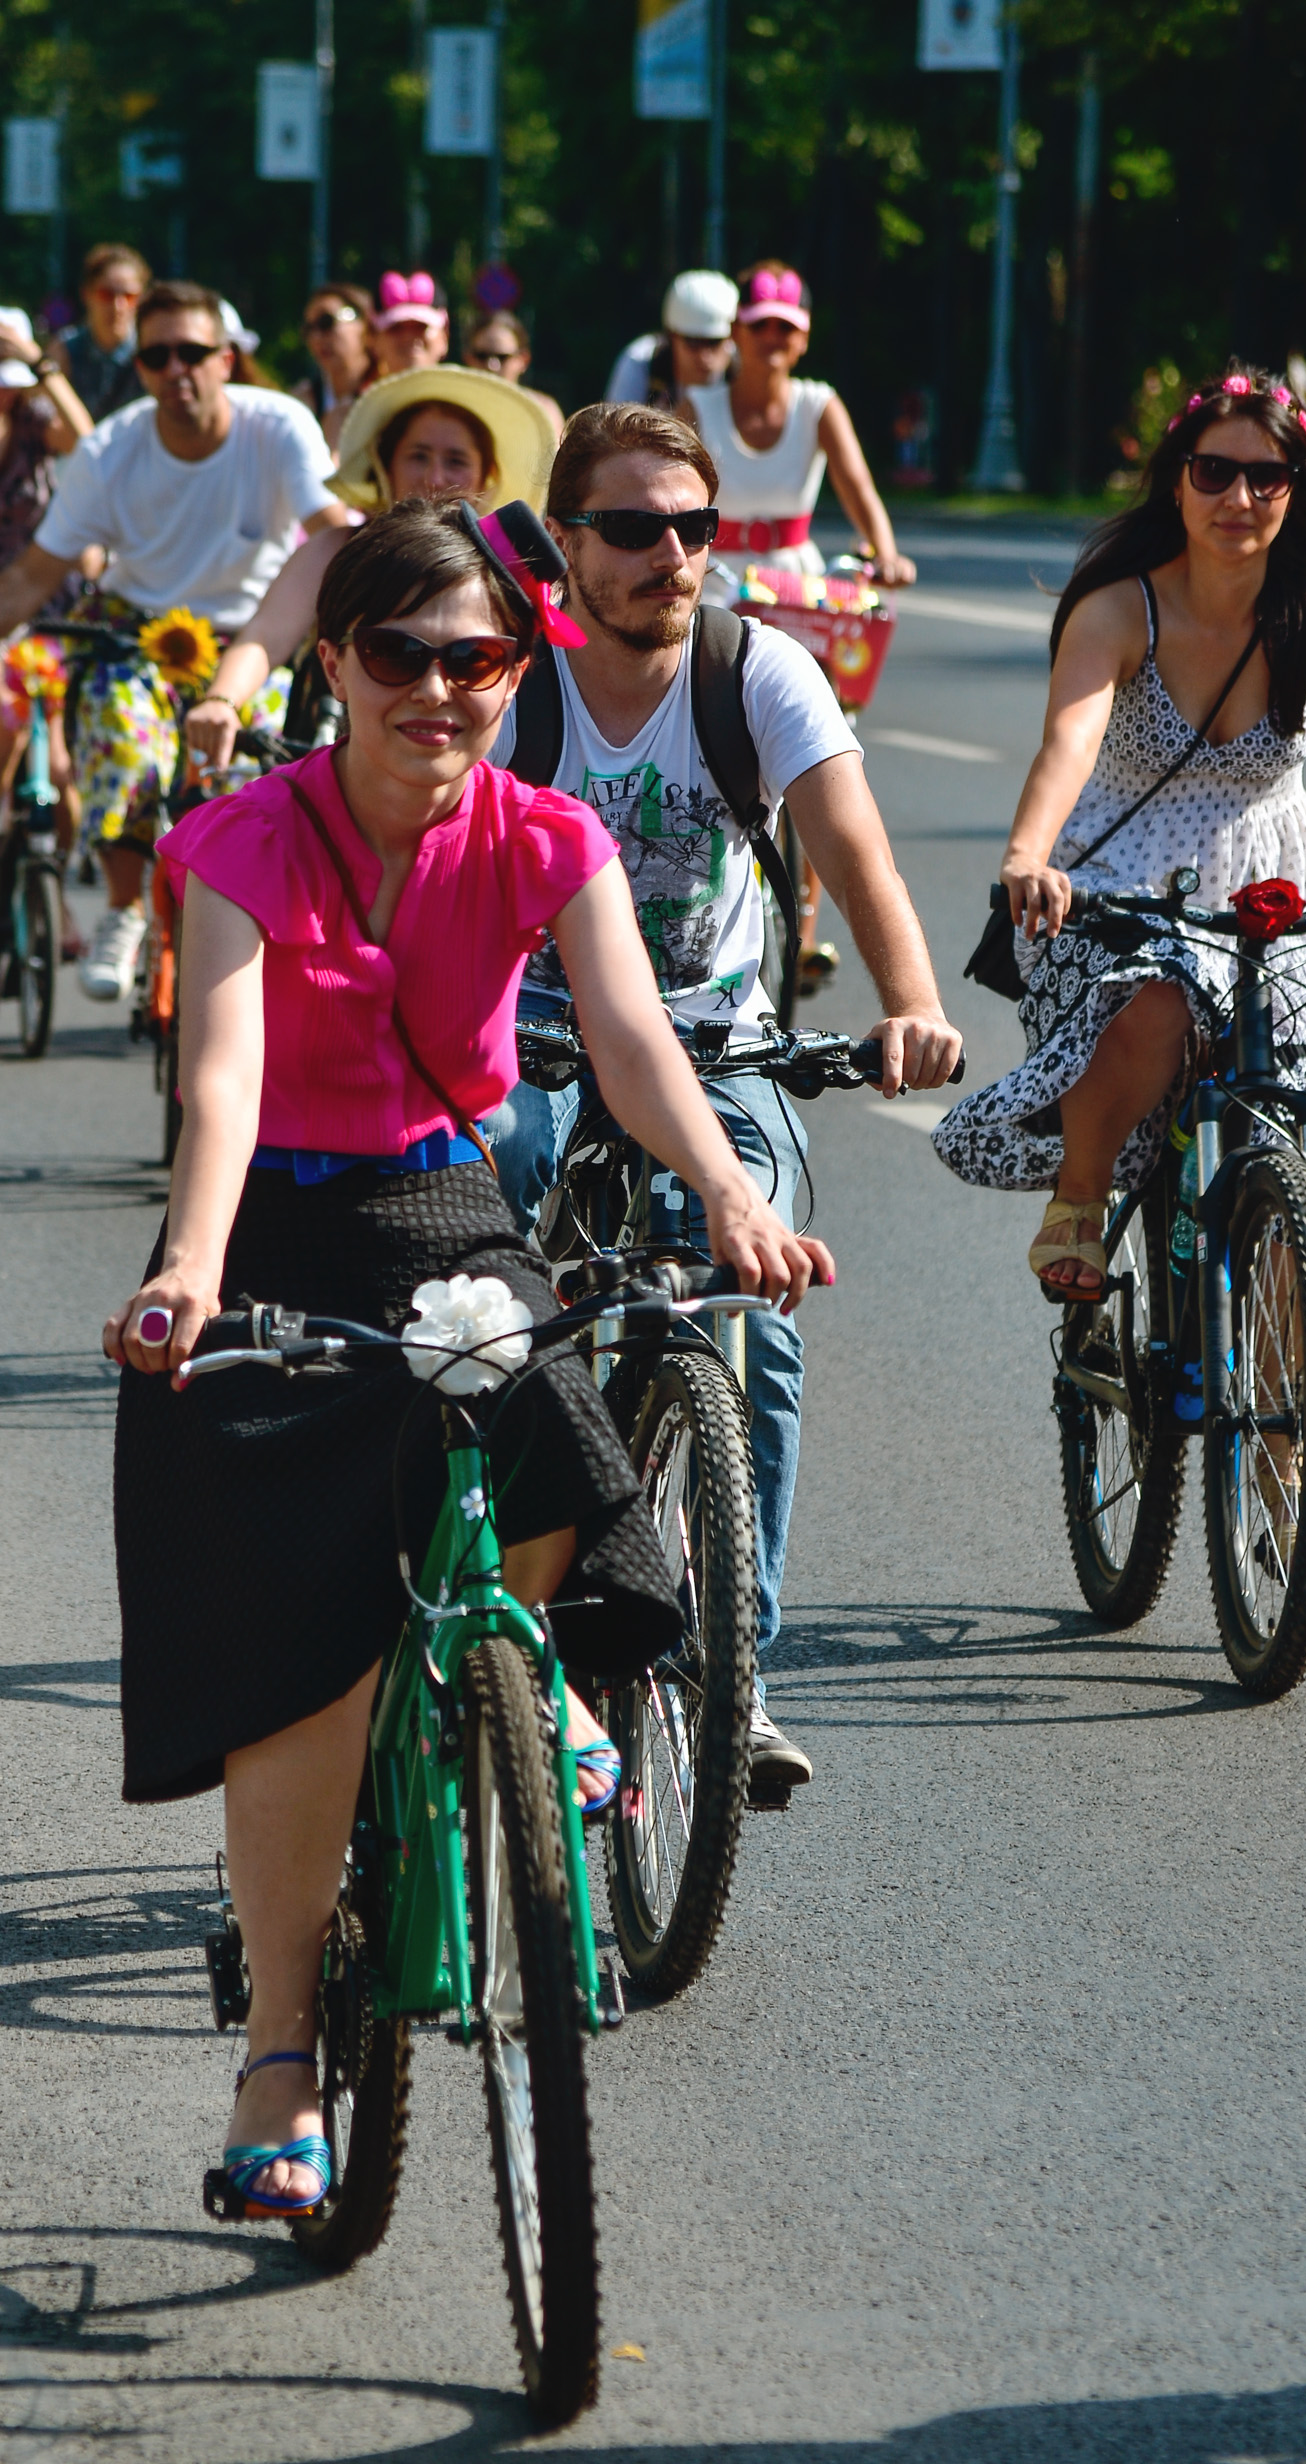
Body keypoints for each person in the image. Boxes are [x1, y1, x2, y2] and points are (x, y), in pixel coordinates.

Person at [103, 494, 830, 2213]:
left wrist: (727, 1187)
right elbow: (217, 1079)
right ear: (340, 662)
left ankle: (547, 1691)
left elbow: (640, 1046)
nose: (442, 688)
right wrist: (189, 1269)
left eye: (481, 657)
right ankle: (283, 2052)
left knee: (566, 1430)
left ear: (522, 665)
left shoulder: (546, 835)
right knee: (307, 1680)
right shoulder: (233, 841)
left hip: (446, 1220)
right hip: (268, 1239)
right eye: (404, 655)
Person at [485, 401, 962, 1792]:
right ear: (564, 544)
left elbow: (852, 842)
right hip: (530, 1038)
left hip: (713, 1044)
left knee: (755, 1312)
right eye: (631, 529)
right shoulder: (512, 681)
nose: (671, 555)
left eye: (692, 527)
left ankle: (726, 1668)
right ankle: (468, 1590)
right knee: (484, 1282)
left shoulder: (756, 672)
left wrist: (912, 1000)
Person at [933, 363, 1306, 1318]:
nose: (1239, 497)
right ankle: (1082, 1199)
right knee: (1155, 1001)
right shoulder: (1118, 607)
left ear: (1296, 491)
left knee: (1293, 1137)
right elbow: (1067, 745)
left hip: (1275, 883)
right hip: (1115, 879)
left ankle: (1289, 1442)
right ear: (1177, 477)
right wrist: (1027, 858)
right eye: (1214, 471)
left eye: (1268, 477)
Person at [0, 279, 346, 1000]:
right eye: (158, 355)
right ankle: (123, 910)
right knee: (121, 735)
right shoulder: (109, 449)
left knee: (266, 771)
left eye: (194, 350)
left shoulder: (278, 427)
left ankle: (254, 931)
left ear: (226, 358)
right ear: (143, 368)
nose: (177, 368)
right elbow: (33, 577)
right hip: (137, 638)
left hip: (252, 642)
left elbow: (333, 533)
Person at [686, 261, 917, 991]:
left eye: (786, 330)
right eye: (760, 329)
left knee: (816, 748)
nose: (772, 342)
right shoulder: (698, 403)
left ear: (804, 338)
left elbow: (858, 487)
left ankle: (805, 929)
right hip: (719, 575)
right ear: (739, 334)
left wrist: (884, 551)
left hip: (797, 585)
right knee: (700, 724)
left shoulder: (820, 406)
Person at [187, 365, 556, 772]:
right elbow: (265, 636)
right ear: (386, 465)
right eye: (418, 456)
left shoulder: (503, 570)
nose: (435, 478)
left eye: (455, 461)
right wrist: (222, 701)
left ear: (487, 476)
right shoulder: (337, 549)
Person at [0, 299, 94, 843]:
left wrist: (38, 362)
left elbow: (89, 442)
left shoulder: (32, 423)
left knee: (59, 769)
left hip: (45, 605)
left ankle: (50, 895)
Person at [605, 269, 738, 413]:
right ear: (671, 336)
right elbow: (615, 430)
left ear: (731, 338)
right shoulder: (641, 363)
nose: (704, 356)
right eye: (693, 342)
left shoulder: (741, 368)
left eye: (714, 342)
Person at [50, 243, 150, 423]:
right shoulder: (65, 351)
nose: (117, 306)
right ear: (86, 295)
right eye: (106, 294)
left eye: (129, 296)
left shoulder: (153, 353)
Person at [290, 282, 377, 454]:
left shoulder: (389, 395)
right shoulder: (301, 404)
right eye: (308, 329)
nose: (316, 337)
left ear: (366, 324)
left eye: (326, 322)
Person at [462, 309, 564, 438]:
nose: (492, 366)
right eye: (482, 356)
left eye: (502, 357)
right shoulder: (455, 410)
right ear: (468, 358)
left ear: (523, 360)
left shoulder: (544, 412)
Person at [371, 271, 449, 379]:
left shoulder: (468, 394)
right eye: (396, 328)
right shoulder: (364, 396)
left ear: (444, 336)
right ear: (375, 340)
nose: (408, 336)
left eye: (421, 326)